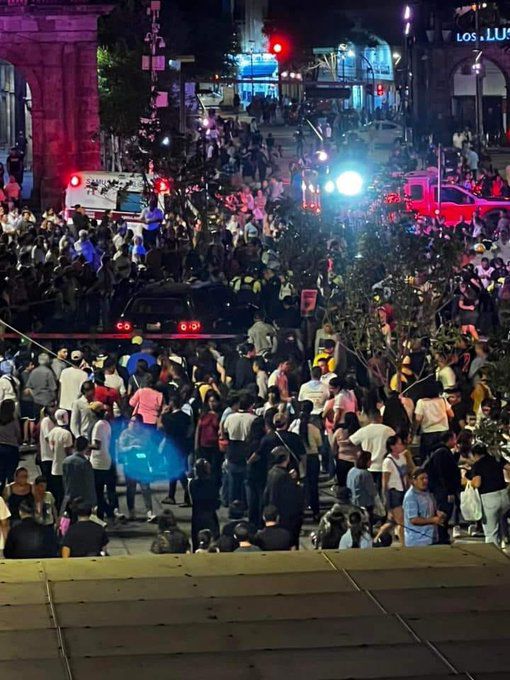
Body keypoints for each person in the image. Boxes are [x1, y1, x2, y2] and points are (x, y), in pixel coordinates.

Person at [467, 442, 510, 546]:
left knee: (491, 533)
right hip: (504, 496)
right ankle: (502, 550)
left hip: (489, 499)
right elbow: (508, 467)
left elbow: (477, 483)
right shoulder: (496, 459)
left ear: (475, 455)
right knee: (499, 526)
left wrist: (470, 483)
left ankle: (494, 558)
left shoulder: (478, 465)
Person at [263, 446, 304, 548]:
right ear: (287, 458)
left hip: (273, 511)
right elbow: (291, 497)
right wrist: (296, 483)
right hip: (285, 516)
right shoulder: (284, 477)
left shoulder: (271, 472)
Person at [117, 415, 156, 522]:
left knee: (146, 488)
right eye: (132, 421)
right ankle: (132, 511)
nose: (133, 424)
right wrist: (132, 448)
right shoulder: (125, 434)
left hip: (142, 464)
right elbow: (120, 448)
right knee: (131, 489)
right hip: (130, 464)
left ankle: (149, 512)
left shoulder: (146, 434)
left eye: (135, 422)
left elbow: (150, 448)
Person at [426, 431, 461, 543]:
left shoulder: (441, 452)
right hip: (442, 490)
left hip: (441, 489)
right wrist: (449, 491)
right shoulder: (442, 453)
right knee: (444, 512)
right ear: (450, 439)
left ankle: (443, 536)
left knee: (445, 512)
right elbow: (444, 473)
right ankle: (442, 537)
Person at [289, 400, 322, 520]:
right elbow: (319, 443)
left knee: (300, 485)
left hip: (298, 459)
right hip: (313, 458)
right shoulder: (314, 428)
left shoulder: (293, 426)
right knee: (313, 486)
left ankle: (300, 510)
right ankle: (316, 512)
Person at [349, 410, 394, 492]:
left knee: (369, 492)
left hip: (368, 465)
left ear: (369, 418)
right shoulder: (388, 430)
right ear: (380, 417)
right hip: (383, 465)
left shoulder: (364, 430)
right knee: (382, 490)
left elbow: (351, 440)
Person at [160, 392, 192, 506]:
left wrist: (163, 413)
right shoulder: (186, 417)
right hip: (183, 445)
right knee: (174, 470)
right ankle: (171, 495)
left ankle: (188, 495)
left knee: (177, 471)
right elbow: (189, 430)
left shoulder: (169, 418)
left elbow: (160, 427)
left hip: (172, 446)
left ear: (172, 403)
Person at [403, 468, 446, 547]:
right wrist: (433, 520)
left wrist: (438, 513)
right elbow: (413, 519)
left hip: (429, 538)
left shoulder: (427, 493)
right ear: (414, 481)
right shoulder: (411, 497)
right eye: (422, 478)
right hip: (417, 540)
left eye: (426, 478)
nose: (425, 481)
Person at [89, 402, 115, 521]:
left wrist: (85, 447)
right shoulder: (106, 424)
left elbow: (97, 445)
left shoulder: (98, 426)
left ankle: (108, 511)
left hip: (98, 462)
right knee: (100, 490)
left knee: (97, 491)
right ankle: (103, 513)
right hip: (106, 459)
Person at [414, 380, 453, 460]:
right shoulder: (442, 400)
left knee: (428, 458)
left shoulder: (421, 402)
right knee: (443, 457)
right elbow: (451, 415)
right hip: (444, 432)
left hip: (428, 434)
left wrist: (414, 431)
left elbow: (418, 419)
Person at [381, 434, 409, 546]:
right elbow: (385, 482)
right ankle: (403, 544)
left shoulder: (402, 457)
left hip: (403, 491)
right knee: (401, 522)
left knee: (392, 522)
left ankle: (377, 538)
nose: (401, 445)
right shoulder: (388, 461)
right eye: (399, 443)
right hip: (394, 492)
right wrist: (385, 498)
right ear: (392, 446)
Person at [189, 458, 220, 551]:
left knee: (196, 540)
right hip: (210, 515)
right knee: (212, 540)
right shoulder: (212, 483)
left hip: (197, 516)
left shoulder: (193, 483)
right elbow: (216, 500)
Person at [62, 436, 97, 513]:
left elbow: (64, 480)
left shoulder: (66, 461)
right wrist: (93, 502)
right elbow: (89, 483)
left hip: (69, 497)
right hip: (83, 499)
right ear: (86, 447)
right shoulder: (85, 463)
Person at [47, 409, 73, 509]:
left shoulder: (52, 432)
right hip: (65, 469)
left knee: (58, 496)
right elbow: (68, 451)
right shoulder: (66, 434)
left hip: (55, 468)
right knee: (66, 496)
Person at [346, 450, 378, 525]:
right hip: (364, 502)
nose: (371, 461)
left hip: (352, 500)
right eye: (369, 460)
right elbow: (371, 491)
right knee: (367, 522)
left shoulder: (352, 470)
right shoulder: (365, 474)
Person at [0, 399, 21, 493]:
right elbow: (18, 435)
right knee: (11, 474)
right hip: (11, 449)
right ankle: (11, 492)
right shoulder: (14, 420)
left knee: (1, 474)